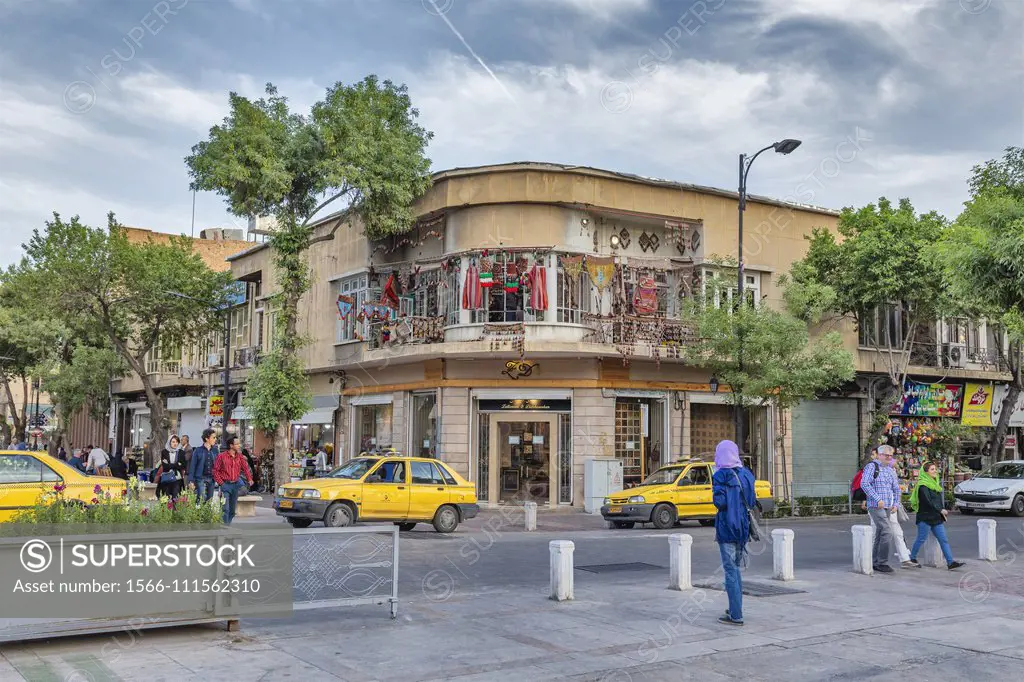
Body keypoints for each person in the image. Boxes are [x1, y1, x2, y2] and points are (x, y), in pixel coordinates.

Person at [711, 439, 756, 626]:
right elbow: (752, 501)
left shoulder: (721, 475)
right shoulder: (746, 475)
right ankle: (735, 607)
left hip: (726, 527)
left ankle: (736, 615)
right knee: (736, 570)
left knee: (730, 571)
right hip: (743, 528)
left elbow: (719, 503)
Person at [860, 444, 908, 573]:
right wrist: (877, 499)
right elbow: (864, 484)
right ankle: (882, 562)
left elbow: (896, 489)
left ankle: (875, 561)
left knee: (881, 533)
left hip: (888, 506)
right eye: (886, 455)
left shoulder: (890, 470)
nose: (889, 457)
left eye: (891, 456)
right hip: (875, 506)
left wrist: (896, 504)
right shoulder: (872, 467)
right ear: (879, 455)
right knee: (887, 531)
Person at [909, 461, 965, 570]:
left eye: (935, 469)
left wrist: (941, 511)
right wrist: (941, 510)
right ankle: (912, 558)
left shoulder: (935, 484)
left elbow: (938, 501)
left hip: (936, 517)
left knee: (943, 540)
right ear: (925, 472)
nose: (935, 471)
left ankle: (950, 562)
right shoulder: (922, 486)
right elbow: (927, 501)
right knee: (921, 538)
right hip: (925, 517)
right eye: (932, 469)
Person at [213, 436, 253, 525]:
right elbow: (215, 471)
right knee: (225, 509)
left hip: (236, 485)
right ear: (231, 445)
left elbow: (245, 468)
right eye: (237, 444)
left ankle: (227, 525)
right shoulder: (221, 456)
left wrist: (249, 478)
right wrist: (221, 483)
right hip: (225, 485)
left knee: (232, 511)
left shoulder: (240, 457)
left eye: (239, 443)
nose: (239, 445)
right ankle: (225, 527)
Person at [187, 429, 218, 503]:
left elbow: (218, 465)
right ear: (207, 439)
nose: (215, 439)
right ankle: (199, 514)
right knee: (202, 498)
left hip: (212, 478)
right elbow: (193, 466)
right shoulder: (198, 450)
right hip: (200, 478)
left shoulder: (215, 450)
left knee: (209, 501)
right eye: (213, 437)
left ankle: (206, 514)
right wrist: (191, 480)